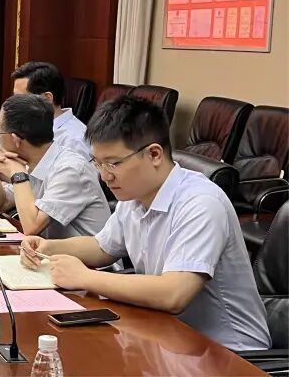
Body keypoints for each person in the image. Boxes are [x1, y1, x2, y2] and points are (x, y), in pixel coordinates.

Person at [20, 96, 270, 351]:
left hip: (229, 351)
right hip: (167, 334)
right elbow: (102, 247)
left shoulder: (201, 202)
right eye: (98, 163)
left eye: (113, 163)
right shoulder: (135, 193)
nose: (104, 176)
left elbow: (174, 293)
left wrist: (84, 277)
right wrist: (48, 247)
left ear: (154, 154)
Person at [0, 94, 110, 239]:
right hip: (50, 251)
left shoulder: (69, 169)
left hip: (84, 254)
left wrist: (17, 174)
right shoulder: (33, 160)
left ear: (15, 139)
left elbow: (31, 227)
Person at [11, 61, 90, 159]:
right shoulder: (26, 127)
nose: (14, 104)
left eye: (21, 98)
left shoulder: (74, 140)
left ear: (47, 99)